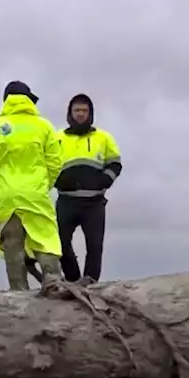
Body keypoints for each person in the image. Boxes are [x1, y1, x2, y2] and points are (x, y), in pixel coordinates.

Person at [0, 81, 64, 291]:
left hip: (6, 197)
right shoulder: (44, 126)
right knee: (45, 238)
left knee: (13, 245)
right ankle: (53, 282)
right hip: (35, 193)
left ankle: (19, 292)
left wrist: (0, 184)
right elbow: (55, 162)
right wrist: (43, 184)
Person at [54, 93, 122, 285]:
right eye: (77, 110)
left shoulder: (103, 137)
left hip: (94, 203)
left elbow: (115, 164)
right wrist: (57, 181)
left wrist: (104, 181)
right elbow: (46, 165)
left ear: (90, 113)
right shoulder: (56, 138)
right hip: (66, 200)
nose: (81, 114)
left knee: (94, 246)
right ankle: (73, 279)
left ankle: (90, 282)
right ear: (70, 113)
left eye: (84, 110)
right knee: (60, 243)